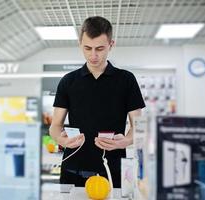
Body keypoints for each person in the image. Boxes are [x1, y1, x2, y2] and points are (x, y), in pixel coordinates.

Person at [49, 16, 145, 188]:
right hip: (73, 171)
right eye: (87, 48)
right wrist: (62, 140)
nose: (93, 55)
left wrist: (124, 141)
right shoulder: (68, 81)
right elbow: (55, 126)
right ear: (80, 44)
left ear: (111, 44)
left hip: (113, 172)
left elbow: (139, 127)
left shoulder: (126, 80)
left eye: (100, 48)